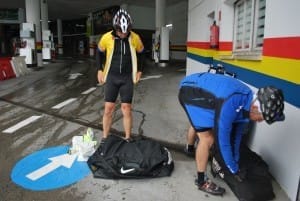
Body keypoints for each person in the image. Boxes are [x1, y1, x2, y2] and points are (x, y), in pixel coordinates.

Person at [178, 72, 285, 195]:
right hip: (189, 91)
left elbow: (236, 136)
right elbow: (222, 140)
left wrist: (236, 160)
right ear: (255, 109)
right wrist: (233, 169)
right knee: (208, 138)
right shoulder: (231, 103)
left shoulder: (248, 102)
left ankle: (189, 148)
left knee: (198, 121)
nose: (260, 122)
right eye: (262, 118)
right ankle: (201, 181)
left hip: (201, 87)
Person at [96, 9, 144, 141]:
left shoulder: (135, 37)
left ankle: (128, 138)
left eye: (126, 31)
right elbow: (99, 52)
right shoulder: (106, 37)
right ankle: (105, 137)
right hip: (112, 76)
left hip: (127, 78)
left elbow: (141, 53)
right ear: (115, 28)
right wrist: (99, 69)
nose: (123, 34)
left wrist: (140, 70)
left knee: (126, 108)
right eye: (120, 31)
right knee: (108, 109)